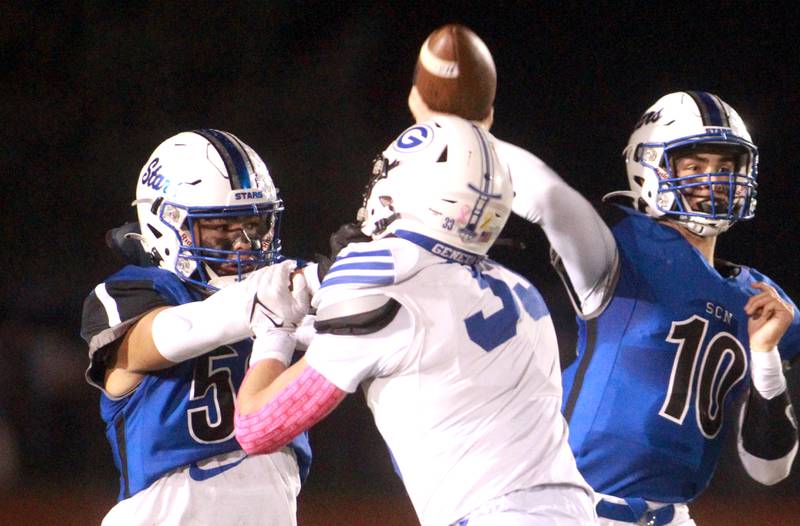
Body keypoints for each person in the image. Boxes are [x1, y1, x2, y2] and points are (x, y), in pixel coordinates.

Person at [234, 115, 597, 526]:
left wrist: (273, 331)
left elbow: (258, 426)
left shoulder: (383, 276)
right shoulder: (518, 288)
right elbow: (413, 345)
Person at [512, 91, 800, 525]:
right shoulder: (621, 247)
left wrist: (765, 357)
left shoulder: (761, 299)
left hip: (672, 516)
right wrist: (459, 134)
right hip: (572, 508)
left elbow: (768, 469)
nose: (713, 181)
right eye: (695, 166)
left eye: (726, 168)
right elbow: (545, 196)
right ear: (650, 168)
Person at [80, 129, 311, 526]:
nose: (243, 245)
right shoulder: (136, 293)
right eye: (222, 229)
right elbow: (169, 335)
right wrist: (270, 304)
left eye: (253, 227)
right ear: (165, 224)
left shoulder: (277, 291)